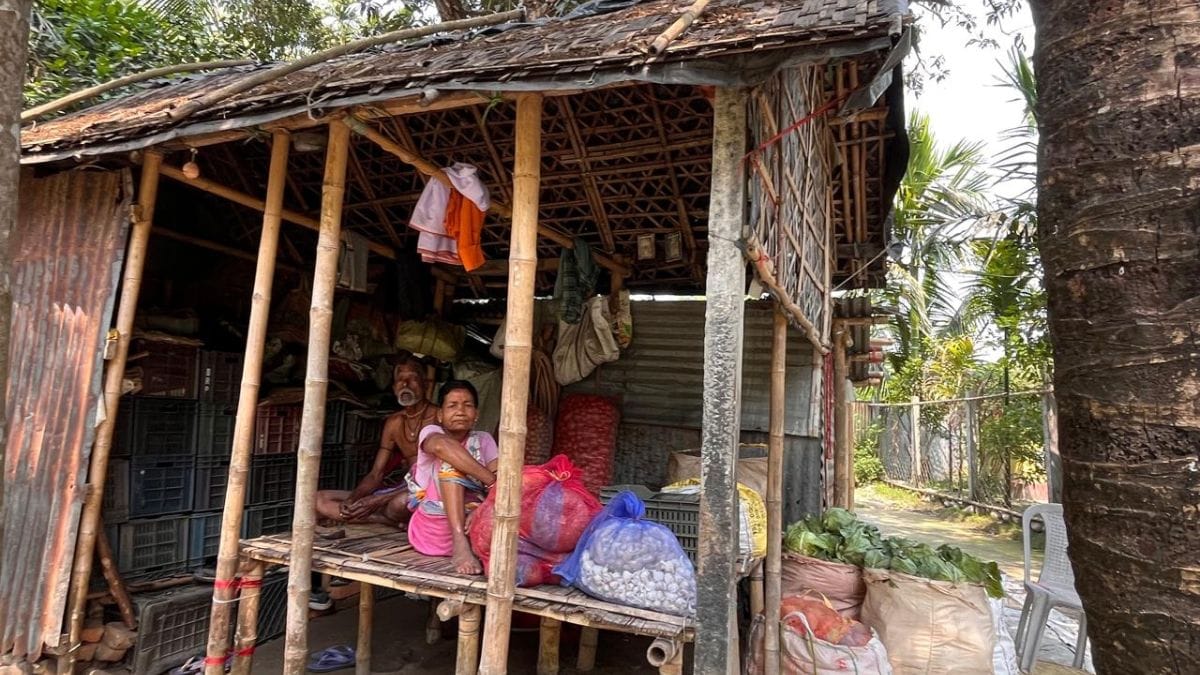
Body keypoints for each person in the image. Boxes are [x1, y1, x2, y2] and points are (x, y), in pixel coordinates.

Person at [314, 355, 437, 526]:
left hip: (430, 491)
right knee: (318, 499)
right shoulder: (394, 423)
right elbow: (376, 474)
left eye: (412, 379)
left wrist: (377, 500)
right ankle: (386, 520)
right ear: (394, 388)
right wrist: (354, 499)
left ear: (425, 384)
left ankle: (389, 516)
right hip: (403, 489)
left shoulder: (440, 417)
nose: (405, 384)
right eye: (400, 380)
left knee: (398, 504)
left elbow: (439, 476)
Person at [407, 380, 498, 575]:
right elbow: (442, 447)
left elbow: (500, 476)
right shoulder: (431, 433)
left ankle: (468, 544)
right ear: (440, 415)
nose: (460, 411)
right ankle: (459, 544)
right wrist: (492, 484)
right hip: (434, 529)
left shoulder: (483, 439)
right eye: (452, 405)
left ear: (476, 414)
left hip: (473, 525)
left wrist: (484, 507)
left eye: (468, 405)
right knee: (450, 464)